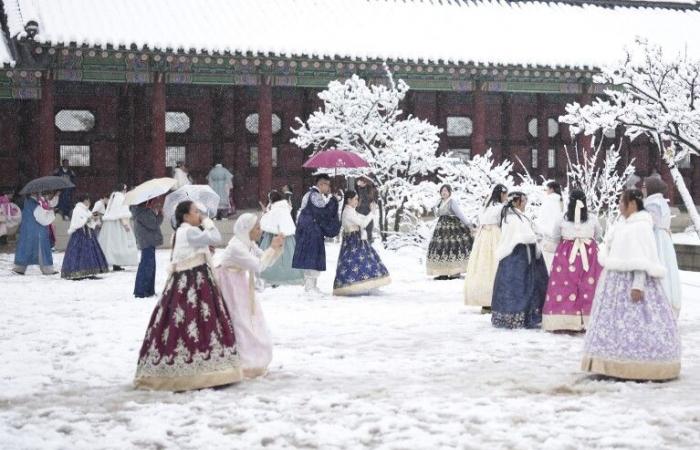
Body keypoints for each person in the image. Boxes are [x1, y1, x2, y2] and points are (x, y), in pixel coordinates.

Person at [134, 200, 243, 390]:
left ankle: (176, 367)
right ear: (185, 216)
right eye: (195, 211)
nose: (198, 214)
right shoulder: (190, 231)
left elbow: (194, 248)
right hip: (194, 280)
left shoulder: (180, 232)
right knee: (198, 319)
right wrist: (207, 221)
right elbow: (216, 237)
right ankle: (201, 370)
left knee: (178, 321)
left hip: (180, 281)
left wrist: (203, 247)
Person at [582, 189, 681, 381]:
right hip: (615, 282)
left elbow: (641, 259)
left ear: (633, 204)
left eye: (622, 202)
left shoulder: (641, 226)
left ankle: (639, 364)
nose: (619, 206)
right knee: (614, 322)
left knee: (637, 321)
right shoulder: (624, 224)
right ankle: (610, 361)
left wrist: (638, 285)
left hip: (631, 283)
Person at [215, 213, 284, 378]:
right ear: (247, 229)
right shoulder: (236, 247)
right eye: (257, 228)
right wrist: (272, 247)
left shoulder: (248, 243)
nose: (260, 231)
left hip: (238, 282)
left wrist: (276, 248)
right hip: (228, 284)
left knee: (247, 318)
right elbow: (257, 265)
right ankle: (243, 360)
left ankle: (251, 357)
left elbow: (263, 259)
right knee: (238, 320)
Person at [542, 190, 603, 332]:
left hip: (566, 255)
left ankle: (563, 322)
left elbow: (556, 237)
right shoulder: (592, 219)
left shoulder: (561, 219)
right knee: (588, 287)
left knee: (565, 287)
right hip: (589, 254)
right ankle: (587, 320)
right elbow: (598, 235)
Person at [491, 192, 549, 329]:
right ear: (517, 202)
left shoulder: (517, 216)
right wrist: (534, 237)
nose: (525, 204)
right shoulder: (512, 218)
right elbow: (523, 235)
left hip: (522, 257)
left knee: (524, 286)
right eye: (523, 202)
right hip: (517, 257)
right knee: (520, 287)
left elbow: (532, 230)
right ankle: (519, 316)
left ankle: (528, 314)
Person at [333, 190, 391, 295]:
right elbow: (363, 223)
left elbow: (363, 218)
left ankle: (368, 285)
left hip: (356, 240)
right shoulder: (348, 212)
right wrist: (372, 212)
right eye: (355, 199)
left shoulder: (351, 210)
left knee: (366, 261)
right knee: (355, 263)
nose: (357, 201)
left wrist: (371, 212)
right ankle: (352, 287)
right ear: (349, 200)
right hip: (353, 242)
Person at [292, 174, 342, 293]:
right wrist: (333, 201)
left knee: (312, 257)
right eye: (327, 185)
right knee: (312, 257)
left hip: (309, 231)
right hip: (311, 232)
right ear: (321, 184)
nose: (329, 188)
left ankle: (312, 285)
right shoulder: (314, 195)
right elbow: (323, 213)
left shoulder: (311, 194)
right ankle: (310, 287)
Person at [464, 184, 508, 312]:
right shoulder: (501, 208)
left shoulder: (485, 207)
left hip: (482, 237)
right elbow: (504, 223)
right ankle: (495, 298)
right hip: (495, 235)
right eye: (505, 194)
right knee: (495, 265)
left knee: (483, 266)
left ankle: (484, 299)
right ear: (501, 194)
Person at [643, 177, 682, 317]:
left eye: (645, 186)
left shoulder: (652, 203)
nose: (643, 188)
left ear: (651, 188)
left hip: (656, 238)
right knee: (667, 268)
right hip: (664, 238)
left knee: (657, 267)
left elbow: (650, 223)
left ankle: (658, 306)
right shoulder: (661, 202)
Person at [426, 184, 473, 280]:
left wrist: (468, 224)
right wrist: (434, 208)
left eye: (446, 191)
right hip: (441, 228)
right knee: (441, 248)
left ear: (449, 192)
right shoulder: (439, 202)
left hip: (452, 227)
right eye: (442, 190)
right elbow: (437, 214)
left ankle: (455, 272)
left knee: (453, 248)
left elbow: (459, 213)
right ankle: (442, 272)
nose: (443, 192)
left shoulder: (452, 202)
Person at [259, 191, 304, 286]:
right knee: (289, 256)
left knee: (271, 256)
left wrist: (265, 214)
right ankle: (291, 275)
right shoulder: (285, 208)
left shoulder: (275, 209)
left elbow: (266, 222)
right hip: (287, 237)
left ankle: (271, 276)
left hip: (273, 237)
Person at [61, 194, 109, 280]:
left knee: (89, 252)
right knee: (79, 253)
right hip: (80, 234)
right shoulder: (78, 209)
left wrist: (93, 218)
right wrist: (88, 219)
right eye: (88, 200)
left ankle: (90, 271)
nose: (89, 202)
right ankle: (76, 272)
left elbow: (89, 218)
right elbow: (78, 221)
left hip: (88, 232)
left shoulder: (85, 209)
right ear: (85, 200)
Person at [13, 191, 58, 275]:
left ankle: (19, 268)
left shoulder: (27, 202)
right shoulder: (35, 205)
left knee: (25, 249)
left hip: (27, 231)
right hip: (38, 232)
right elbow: (43, 220)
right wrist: (51, 212)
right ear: (33, 193)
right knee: (42, 250)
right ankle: (47, 269)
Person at [98, 184, 139, 271]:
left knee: (111, 244)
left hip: (111, 223)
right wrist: (125, 224)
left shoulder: (113, 197)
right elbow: (121, 212)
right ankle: (117, 263)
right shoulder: (121, 197)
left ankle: (111, 263)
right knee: (119, 243)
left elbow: (114, 210)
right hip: (118, 223)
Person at [131, 199, 164, 298]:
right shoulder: (142, 212)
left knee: (148, 265)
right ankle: (142, 291)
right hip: (147, 241)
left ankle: (148, 290)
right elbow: (153, 224)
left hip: (147, 241)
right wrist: (160, 215)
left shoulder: (140, 211)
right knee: (147, 266)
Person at [535, 181, 564, 271]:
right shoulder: (561, 201)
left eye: (547, 189)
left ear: (551, 189)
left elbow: (542, 218)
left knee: (547, 264)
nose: (546, 191)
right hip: (558, 236)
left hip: (546, 236)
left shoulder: (548, 201)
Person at [354, 176, 378, 243]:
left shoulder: (371, 187)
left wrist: (374, 203)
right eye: (360, 181)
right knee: (359, 231)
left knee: (369, 231)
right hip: (359, 212)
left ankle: (369, 244)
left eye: (363, 181)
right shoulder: (357, 187)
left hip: (368, 212)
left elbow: (374, 197)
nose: (361, 182)